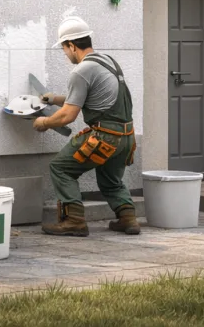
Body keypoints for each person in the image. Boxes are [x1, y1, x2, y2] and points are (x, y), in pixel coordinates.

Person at [34, 16, 140, 237]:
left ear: (72, 45)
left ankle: (73, 221)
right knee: (110, 179)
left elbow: (68, 116)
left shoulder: (81, 70)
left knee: (61, 168)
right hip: (126, 137)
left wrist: (44, 122)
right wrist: (54, 99)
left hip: (105, 136)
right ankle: (128, 218)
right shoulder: (107, 61)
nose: (65, 54)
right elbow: (89, 98)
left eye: (64, 49)